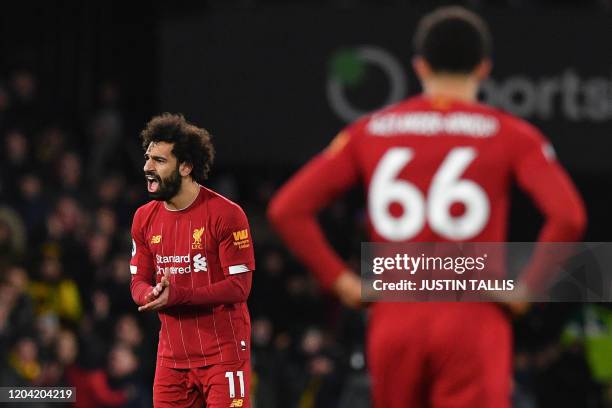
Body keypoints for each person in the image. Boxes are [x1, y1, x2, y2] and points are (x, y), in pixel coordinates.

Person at [268, 6, 586, 408]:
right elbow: (569, 216)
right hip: (472, 314)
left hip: (395, 315)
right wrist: (528, 288)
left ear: (420, 66)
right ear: (484, 68)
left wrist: (344, 284)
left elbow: (286, 209)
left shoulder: (371, 130)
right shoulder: (510, 134)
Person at [130, 114, 255, 407]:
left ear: (186, 166)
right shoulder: (143, 218)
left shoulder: (227, 215)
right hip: (171, 360)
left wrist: (178, 296)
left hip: (223, 356)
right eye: (148, 158)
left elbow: (239, 287)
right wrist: (150, 295)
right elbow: (138, 280)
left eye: (159, 161)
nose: (147, 167)